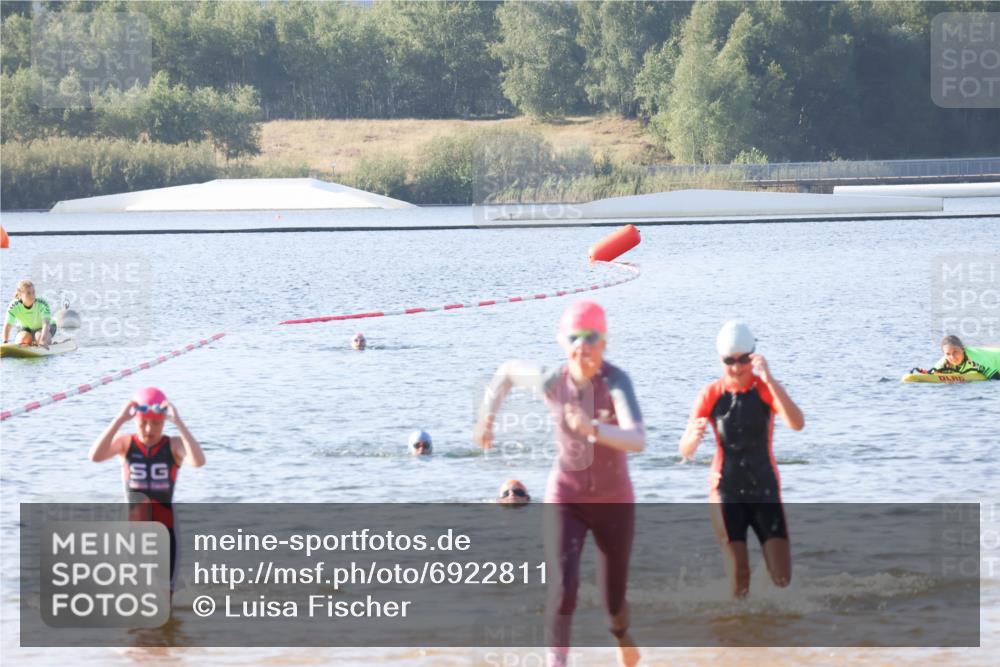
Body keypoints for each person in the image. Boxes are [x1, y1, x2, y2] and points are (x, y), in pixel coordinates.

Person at [474, 300, 645, 667]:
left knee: (613, 606)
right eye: (574, 339)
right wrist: (487, 419)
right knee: (563, 589)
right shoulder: (553, 381)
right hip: (566, 496)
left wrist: (593, 428)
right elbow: (506, 373)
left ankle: (621, 635)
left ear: (604, 342)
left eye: (591, 338)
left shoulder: (616, 381)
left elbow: (637, 438)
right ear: (563, 342)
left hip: (614, 503)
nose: (582, 347)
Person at [678, 321, 804, 599]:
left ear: (754, 355)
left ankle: (764, 626)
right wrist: (694, 438)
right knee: (739, 579)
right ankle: (736, 635)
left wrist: (770, 379)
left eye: (743, 360)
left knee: (782, 578)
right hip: (726, 490)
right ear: (720, 359)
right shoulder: (710, 394)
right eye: (729, 361)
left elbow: (797, 424)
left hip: (764, 489)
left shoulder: (764, 389)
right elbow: (684, 451)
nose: (736, 368)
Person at [89, 387, 206, 590]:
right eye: (143, 424)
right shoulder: (126, 444)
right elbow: (95, 456)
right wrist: (119, 419)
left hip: (166, 530)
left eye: (156, 424)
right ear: (135, 421)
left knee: (165, 595)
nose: (149, 430)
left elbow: (198, 461)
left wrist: (178, 423)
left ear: (164, 422)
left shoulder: (173, 445)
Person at [3, 280, 55, 346]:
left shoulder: (42, 303)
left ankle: (43, 341)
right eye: (28, 293)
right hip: (26, 328)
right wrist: (5, 342)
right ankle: (31, 342)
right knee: (22, 339)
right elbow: (8, 325)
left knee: (39, 337)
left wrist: (42, 340)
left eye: (33, 292)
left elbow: (46, 324)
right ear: (20, 294)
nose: (32, 295)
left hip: (47, 327)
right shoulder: (14, 306)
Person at [927, 335, 999, 379]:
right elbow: (929, 373)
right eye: (948, 354)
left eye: (955, 352)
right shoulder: (945, 361)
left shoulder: (974, 360)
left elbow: (996, 378)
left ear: (962, 349)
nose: (952, 357)